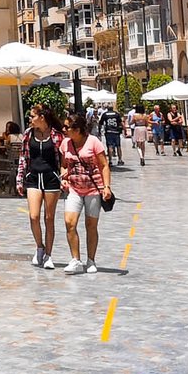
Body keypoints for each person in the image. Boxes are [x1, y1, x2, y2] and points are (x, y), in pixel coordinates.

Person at [16, 103, 69, 270]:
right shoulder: (28, 134)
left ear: (42, 117)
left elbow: (62, 160)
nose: (30, 119)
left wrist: (64, 177)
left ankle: (49, 255)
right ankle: (40, 246)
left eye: (32, 116)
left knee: (49, 218)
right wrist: (20, 178)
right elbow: (23, 157)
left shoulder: (56, 136)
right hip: (33, 177)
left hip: (51, 178)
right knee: (34, 216)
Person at [59, 114, 112, 274]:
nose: (64, 129)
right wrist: (64, 177)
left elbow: (104, 165)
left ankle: (91, 260)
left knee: (91, 225)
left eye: (67, 127)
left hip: (93, 189)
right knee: (70, 223)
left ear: (77, 129)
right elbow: (63, 165)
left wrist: (106, 187)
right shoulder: (65, 144)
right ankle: (75, 259)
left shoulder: (93, 142)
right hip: (74, 189)